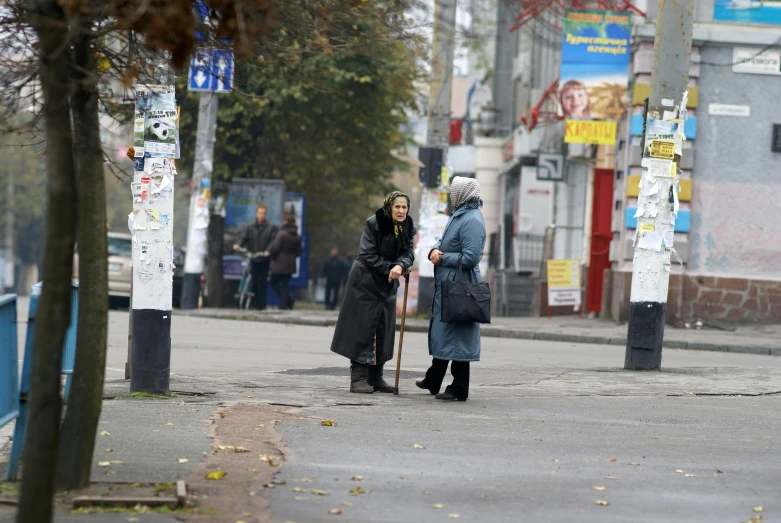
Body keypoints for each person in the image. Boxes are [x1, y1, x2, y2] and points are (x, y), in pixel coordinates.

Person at [330, 192, 415, 394]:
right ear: (389, 207)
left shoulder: (408, 226)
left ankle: (376, 378)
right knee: (363, 329)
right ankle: (358, 379)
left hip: (386, 285)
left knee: (382, 330)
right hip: (365, 283)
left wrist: (401, 265)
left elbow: (409, 253)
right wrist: (391, 268)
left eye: (404, 207)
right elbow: (367, 255)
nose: (401, 211)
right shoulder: (374, 223)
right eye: (397, 207)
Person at [417, 177, 486, 401]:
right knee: (445, 332)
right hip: (450, 284)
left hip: (461, 287)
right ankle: (434, 378)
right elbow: (443, 240)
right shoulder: (460, 214)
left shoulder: (472, 219)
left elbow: (471, 257)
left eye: (454, 190)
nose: (451, 194)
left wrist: (443, 258)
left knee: (458, 336)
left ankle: (459, 387)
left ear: (462, 193)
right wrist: (434, 250)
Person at [233, 204, 278, 310]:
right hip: (253, 257)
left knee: (263, 281)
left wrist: (268, 251)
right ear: (256, 214)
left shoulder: (270, 227)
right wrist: (238, 244)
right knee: (253, 280)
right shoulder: (250, 226)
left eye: (263, 213)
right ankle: (252, 302)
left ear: (266, 214)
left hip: (264, 258)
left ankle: (261, 304)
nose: (261, 215)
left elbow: (273, 241)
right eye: (260, 213)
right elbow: (244, 237)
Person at [269, 216, 302, 310]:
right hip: (291, 263)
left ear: (286, 222)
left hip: (280, 262)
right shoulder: (297, 237)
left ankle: (287, 302)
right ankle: (285, 303)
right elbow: (299, 252)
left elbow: (275, 247)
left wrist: (271, 255)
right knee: (285, 284)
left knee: (273, 282)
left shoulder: (282, 234)